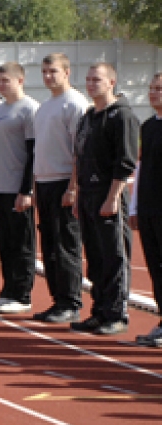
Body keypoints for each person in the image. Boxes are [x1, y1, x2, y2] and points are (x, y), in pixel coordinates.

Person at [70, 62, 138, 336]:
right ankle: (99, 311)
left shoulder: (122, 117)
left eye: (96, 79)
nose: (91, 84)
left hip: (109, 195)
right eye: (87, 79)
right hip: (87, 194)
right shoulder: (87, 117)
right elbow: (79, 156)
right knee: (95, 257)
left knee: (114, 256)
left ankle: (116, 313)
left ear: (112, 82)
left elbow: (126, 162)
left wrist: (112, 198)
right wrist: (75, 191)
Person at [32, 53, 88, 324]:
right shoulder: (45, 107)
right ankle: (58, 300)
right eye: (44, 71)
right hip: (43, 183)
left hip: (63, 181)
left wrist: (73, 187)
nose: (47, 76)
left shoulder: (75, 104)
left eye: (53, 71)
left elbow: (80, 151)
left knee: (66, 243)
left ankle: (70, 301)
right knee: (50, 244)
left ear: (67, 72)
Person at [0, 62, 38, 314]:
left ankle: (22, 294)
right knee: (5, 241)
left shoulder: (30, 109)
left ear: (20, 80)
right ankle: (8, 290)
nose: (1, 85)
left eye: (6, 81)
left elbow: (33, 152)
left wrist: (26, 190)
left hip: (17, 188)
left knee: (21, 242)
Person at [131, 72, 162, 347]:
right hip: (149, 207)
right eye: (152, 88)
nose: (154, 93)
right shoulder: (148, 126)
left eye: (160, 89)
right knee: (155, 267)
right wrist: (135, 205)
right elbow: (141, 168)